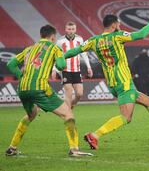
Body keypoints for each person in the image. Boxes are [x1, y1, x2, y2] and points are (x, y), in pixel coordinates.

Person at [64, 11, 149, 150]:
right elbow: (141, 34)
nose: (120, 25)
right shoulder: (118, 36)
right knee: (126, 117)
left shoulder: (93, 40)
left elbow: (74, 51)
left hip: (112, 83)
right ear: (114, 25)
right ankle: (94, 135)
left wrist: (59, 57)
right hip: (123, 82)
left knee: (148, 101)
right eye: (118, 23)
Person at [5, 25, 92, 157]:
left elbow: (10, 64)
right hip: (39, 88)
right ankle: (74, 149)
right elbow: (62, 65)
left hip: (22, 89)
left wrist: (21, 76)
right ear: (52, 37)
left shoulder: (29, 48)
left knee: (31, 114)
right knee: (68, 114)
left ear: (41, 35)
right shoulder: (54, 47)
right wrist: (58, 64)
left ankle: (12, 147)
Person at [51, 21, 93, 108]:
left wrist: (89, 67)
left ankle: (71, 105)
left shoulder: (80, 39)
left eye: (73, 29)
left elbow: (83, 53)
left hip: (76, 70)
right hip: (65, 70)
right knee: (69, 92)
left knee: (79, 94)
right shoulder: (60, 41)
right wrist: (54, 69)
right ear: (65, 29)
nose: (71, 31)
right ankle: (68, 113)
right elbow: (56, 56)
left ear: (75, 29)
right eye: (69, 29)